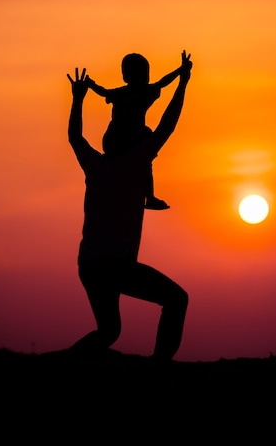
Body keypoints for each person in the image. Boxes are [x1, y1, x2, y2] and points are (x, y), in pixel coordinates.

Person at [66, 50, 192, 362]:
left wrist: (78, 98)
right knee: (176, 299)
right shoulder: (137, 163)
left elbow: (75, 137)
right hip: (116, 265)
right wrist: (183, 82)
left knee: (108, 331)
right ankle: (159, 368)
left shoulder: (94, 165)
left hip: (90, 265)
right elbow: (167, 125)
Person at [86, 53, 186, 210]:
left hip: (129, 138)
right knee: (146, 154)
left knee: (146, 158)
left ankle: (149, 196)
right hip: (118, 140)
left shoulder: (136, 93)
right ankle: (149, 197)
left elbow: (162, 83)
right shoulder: (134, 93)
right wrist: (180, 71)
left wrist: (180, 71)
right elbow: (162, 83)